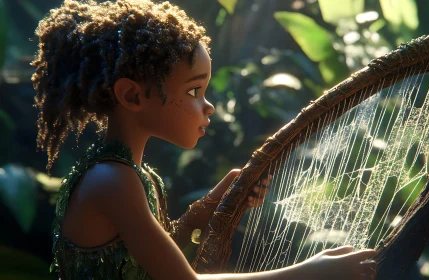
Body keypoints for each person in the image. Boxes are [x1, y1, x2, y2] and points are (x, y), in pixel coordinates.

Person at [32, 1, 377, 279]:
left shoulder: (130, 173)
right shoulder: (113, 181)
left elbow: (146, 262)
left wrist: (205, 210)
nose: (209, 106)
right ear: (133, 97)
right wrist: (311, 272)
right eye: (195, 90)